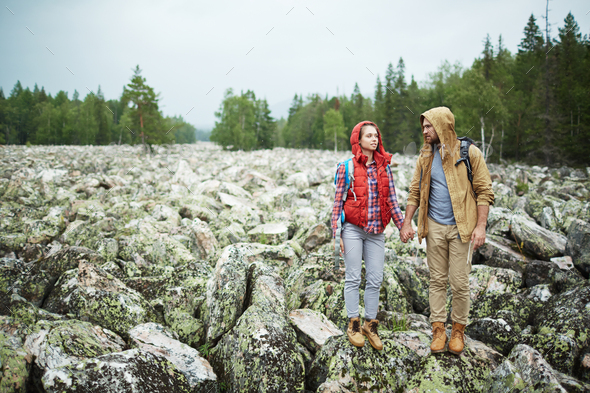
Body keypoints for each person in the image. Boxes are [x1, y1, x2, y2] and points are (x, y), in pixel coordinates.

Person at [400, 106, 494, 355]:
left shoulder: (470, 153)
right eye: (423, 126)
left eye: (429, 125)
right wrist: (407, 222)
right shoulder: (425, 156)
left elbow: (485, 191)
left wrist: (481, 226)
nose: (424, 130)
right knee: (437, 281)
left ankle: (459, 330)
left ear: (442, 126)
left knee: (460, 282)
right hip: (434, 227)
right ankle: (439, 329)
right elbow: (415, 192)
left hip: (463, 228)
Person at [332, 120, 404, 350]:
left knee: (375, 279)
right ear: (358, 140)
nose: (374, 139)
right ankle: (353, 324)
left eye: (376, 136)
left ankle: (369, 326)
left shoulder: (384, 167)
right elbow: (337, 202)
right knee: (353, 278)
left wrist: (402, 226)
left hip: (377, 233)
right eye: (369, 136)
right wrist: (337, 233)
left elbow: (392, 201)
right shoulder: (347, 167)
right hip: (352, 229)